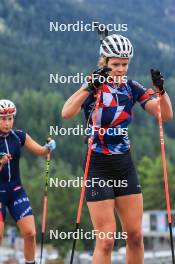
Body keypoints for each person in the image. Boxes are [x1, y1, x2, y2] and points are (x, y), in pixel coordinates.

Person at [61, 34, 173, 264]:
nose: (121, 69)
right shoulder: (92, 85)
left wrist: (161, 90)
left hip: (124, 165)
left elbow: (166, 115)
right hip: (97, 166)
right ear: (104, 63)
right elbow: (66, 112)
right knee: (106, 240)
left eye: (125, 64)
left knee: (135, 235)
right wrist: (88, 86)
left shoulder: (131, 88)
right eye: (115, 65)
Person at [0, 99, 56, 264]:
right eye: (3, 119)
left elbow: (41, 151)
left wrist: (49, 147)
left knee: (30, 233)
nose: (7, 123)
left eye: (10, 118)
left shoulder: (19, 136)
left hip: (16, 191)